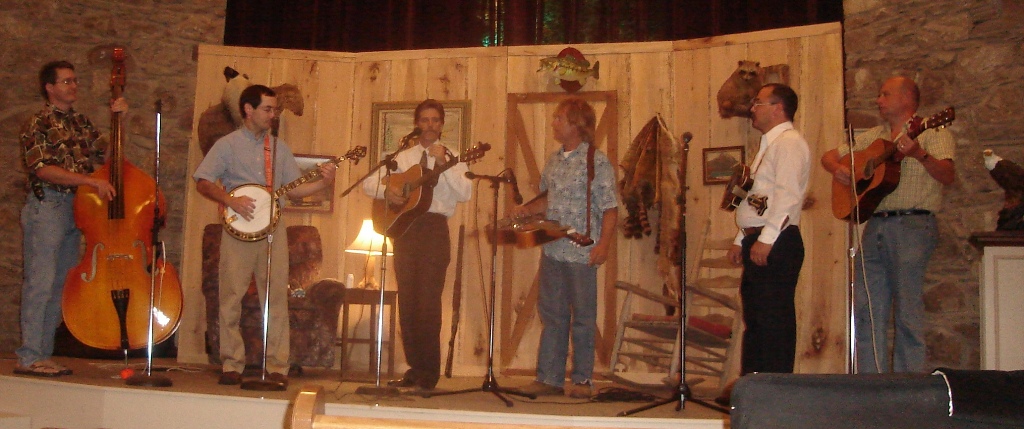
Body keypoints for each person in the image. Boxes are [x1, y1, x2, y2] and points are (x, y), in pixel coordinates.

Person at [194, 84, 336, 387]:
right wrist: (230, 200)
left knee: (276, 298)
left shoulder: (279, 148)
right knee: (230, 297)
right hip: (237, 230)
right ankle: (231, 364)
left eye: (274, 110)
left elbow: (294, 189)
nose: (273, 115)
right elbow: (203, 181)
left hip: (273, 229)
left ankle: (277, 366)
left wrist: (324, 184)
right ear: (249, 110)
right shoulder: (227, 145)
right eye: (267, 109)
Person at [821, 76, 955, 373]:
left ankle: (908, 386)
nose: (878, 100)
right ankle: (872, 383)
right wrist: (840, 169)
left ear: (907, 98)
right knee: (867, 309)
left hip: (912, 225)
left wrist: (919, 154)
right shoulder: (875, 136)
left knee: (907, 309)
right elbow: (828, 157)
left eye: (885, 94)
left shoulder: (933, 131)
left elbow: (947, 175)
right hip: (876, 225)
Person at [16, 60, 128, 377]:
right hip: (48, 206)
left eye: (75, 80)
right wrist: (89, 182)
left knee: (59, 285)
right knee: (40, 283)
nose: (73, 86)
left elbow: (107, 158)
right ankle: (29, 356)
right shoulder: (37, 122)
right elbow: (43, 170)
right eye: (66, 81)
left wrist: (119, 121)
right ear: (49, 87)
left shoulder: (80, 122)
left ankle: (43, 354)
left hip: (75, 209)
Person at [362, 99, 472, 390]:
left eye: (435, 120)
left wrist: (444, 164)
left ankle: (429, 372)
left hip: (434, 229)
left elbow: (465, 193)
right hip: (405, 229)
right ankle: (414, 367)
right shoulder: (403, 156)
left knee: (428, 302)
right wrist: (389, 190)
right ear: (417, 123)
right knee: (408, 300)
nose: (430, 125)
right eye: (424, 120)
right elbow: (368, 184)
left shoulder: (455, 157)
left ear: (442, 124)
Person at [512, 97, 618, 399]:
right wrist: (527, 210)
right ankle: (549, 379)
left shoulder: (597, 161)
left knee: (583, 317)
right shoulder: (554, 160)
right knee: (552, 315)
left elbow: (610, 208)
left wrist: (604, 245)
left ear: (577, 124)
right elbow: (548, 199)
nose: (554, 123)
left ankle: (583, 380)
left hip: (582, 251)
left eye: (559, 118)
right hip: (553, 250)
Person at [726, 83, 810, 376]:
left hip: (776, 241)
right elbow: (757, 199)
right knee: (757, 321)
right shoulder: (770, 145)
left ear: (777, 108)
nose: (752, 108)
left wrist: (767, 239)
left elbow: (787, 197)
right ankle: (754, 385)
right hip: (761, 238)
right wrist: (741, 238)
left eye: (758, 102)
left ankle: (775, 389)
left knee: (773, 322)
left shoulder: (789, 143)